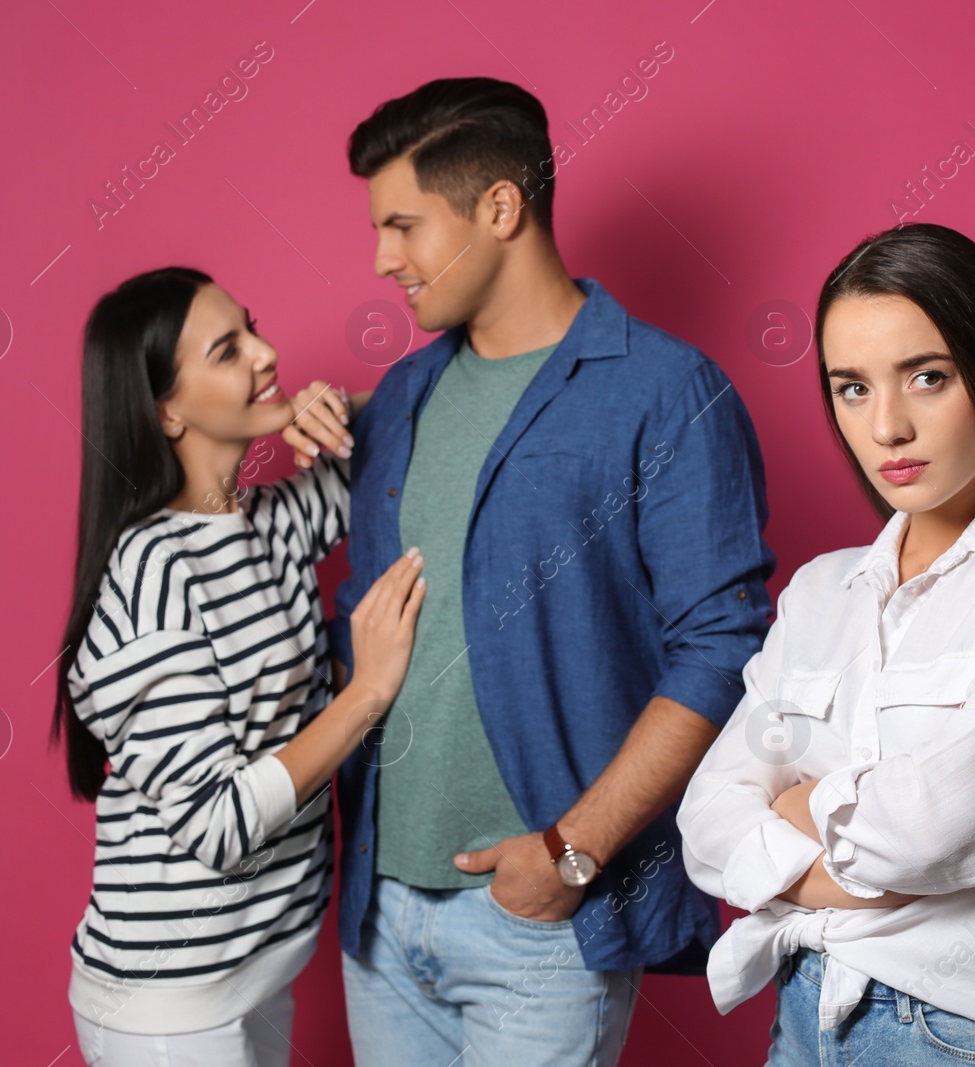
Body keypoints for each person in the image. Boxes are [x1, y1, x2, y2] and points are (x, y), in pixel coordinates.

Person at [279, 77, 777, 1067]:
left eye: (405, 226)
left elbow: (722, 651)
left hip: (540, 922)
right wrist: (289, 425)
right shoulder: (399, 399)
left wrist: (572, 854)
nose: (383, 259)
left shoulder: (668, 392)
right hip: (380, 917)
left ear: (500, 207)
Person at [676, 222, 975, 1066]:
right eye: (851, 387)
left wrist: (797, 806)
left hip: (967, 1036)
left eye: (926, 377)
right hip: (803, 1012)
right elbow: (708, 820)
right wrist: (871, 845)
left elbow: (947, 828)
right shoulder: (824, 588)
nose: (887, 425)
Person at [51, 266, 428, 1067]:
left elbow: (408, 435)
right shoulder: (152, 572)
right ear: (166, 410)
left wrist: (323, 410)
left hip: (259, 969)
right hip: (169, 1004)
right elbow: (217, 824)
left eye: (252, 327)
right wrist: (366, 693)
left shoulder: (274, 520)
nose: (267, 353)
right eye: (228, 350)